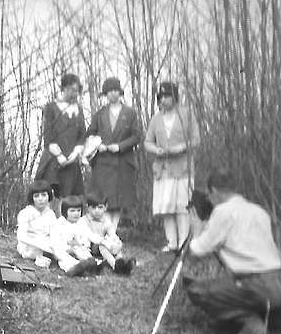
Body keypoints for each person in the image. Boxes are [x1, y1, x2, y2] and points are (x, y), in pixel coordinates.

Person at [183, 168, 281, 334]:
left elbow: (196, 253)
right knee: (234, 286)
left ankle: (252, 325)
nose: (209, 200)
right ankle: (276, 318)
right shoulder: (259, 211)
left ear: (214, 192)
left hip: (258, 285)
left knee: (196, 289)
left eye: (209, 195)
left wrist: (197, 230)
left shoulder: (223, 212)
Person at [144, 81, 200, 252]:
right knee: (166, 206)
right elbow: (147, 142)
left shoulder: (187, 115)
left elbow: (196, 139)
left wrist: (181, 147)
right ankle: (172, 242)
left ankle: (184, 242)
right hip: (162, 169)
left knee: (182, 206)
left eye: (167, 96)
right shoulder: (156, 118)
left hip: (182, 168)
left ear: (175, 97)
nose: (163, 100)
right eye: (160, 97)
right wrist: (156, 150)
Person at [85, 77, 142, 231]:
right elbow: (90, 134)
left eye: (115, 90)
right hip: (103, 164)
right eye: (109, 91)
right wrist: (99, 145)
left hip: (123, 162)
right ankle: (103, 232)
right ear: (105, 94)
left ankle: (112, 231)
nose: (112, 94)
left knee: (118, 202)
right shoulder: (99, 115)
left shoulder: (130, 114)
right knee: (104, 200)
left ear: (120, 92)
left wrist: (120, 146)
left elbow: (136, 136)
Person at [16, 180, 94, 277]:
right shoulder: (26, 213)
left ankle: (80, 265)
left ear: (49, 196)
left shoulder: (50, 214)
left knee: (60, 246)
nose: (40, 199)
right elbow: (22, 236)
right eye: (36, 196)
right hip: (30, 247)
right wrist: (46, 246)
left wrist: (61, 244)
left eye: (44, 195)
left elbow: (54, 234)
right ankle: (73, 264)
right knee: (56, 248)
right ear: (32, 198)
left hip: (47, 246)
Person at [35, 73, 87, 211]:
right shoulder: (51, 108)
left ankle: (63, 230)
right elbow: (48, 136)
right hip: (53, 160)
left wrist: (75, 153)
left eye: (77, 91)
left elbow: (82, 136)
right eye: (72, 90)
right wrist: (59, 155)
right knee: (48, 195)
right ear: (64, 88)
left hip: (71, 161)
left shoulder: (79, 110)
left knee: (68, 199)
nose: (75, 94)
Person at [81, 189, 136, 275]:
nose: (96, 211)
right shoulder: (84, 220)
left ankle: (122, 264)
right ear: (88, 207)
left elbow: (112, 233)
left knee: (113, 243)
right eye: (93, 207)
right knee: (103, 245)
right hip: (88, 248)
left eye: (100, 207)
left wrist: (117, 242)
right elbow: (89, 235)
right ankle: (115, 266)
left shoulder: (106, 221)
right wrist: (104, 241)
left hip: (102, 246)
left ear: (105, 207)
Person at [51, 195, 102, 275]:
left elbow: (89, 234)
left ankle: (91, 265)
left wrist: (102, 240)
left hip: (79, 248)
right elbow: (55, 243)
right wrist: (67, 247)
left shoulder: (81, 222)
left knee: (84, 253)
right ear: (64, 211)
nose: (76, 213)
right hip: (65, 250)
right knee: (65, 260)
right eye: (72, 211)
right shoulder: (59, 223)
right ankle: (74, 268)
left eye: (78, 210)